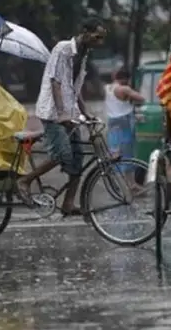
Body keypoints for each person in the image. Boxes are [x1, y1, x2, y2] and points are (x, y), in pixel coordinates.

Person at [17, 18, 107, 216]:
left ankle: (68, 203)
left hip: (70, 113)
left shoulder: (84, 54)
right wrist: (61, 113)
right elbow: (56, 82)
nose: (99, 42)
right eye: (97, 37)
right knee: (62, 154)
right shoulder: (63, 49)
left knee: (77, 161)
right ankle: (25, 180)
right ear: (85, 31)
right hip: (53, 112)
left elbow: (75, 88)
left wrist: (84, 112)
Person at [104, 67, 145, 186]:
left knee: (115, 152)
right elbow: (141, 99)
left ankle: (119, 184)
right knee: (127, 153)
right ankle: (130, 184)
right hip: (124, 121)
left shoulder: (108, 88)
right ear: (127, 79)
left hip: (112, 122)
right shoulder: (124, 89)